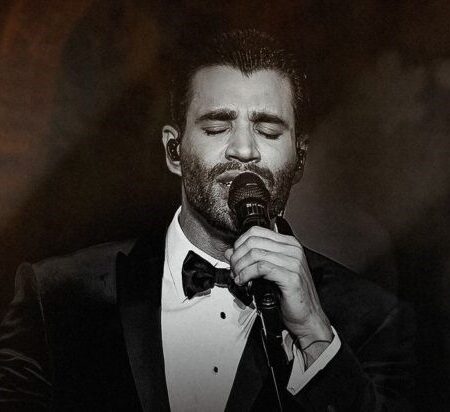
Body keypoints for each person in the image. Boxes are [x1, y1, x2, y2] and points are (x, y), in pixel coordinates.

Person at [0, 29, 415, 411]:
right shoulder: (56, 296)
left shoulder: (372, 318)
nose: (244, 150)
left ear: (300, 160)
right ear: (174, 151)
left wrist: (315, 336)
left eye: (269, 131)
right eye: (217, 127)